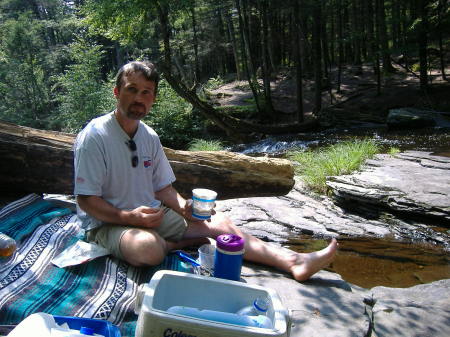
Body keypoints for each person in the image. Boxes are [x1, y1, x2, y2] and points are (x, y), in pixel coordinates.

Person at [73, 60, 337, 282]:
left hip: (150, 215)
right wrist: (130, 217)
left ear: (153, 98)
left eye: (146, 92)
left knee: (220, 223)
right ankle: (177, 243)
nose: (139, 99)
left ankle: (293, 261)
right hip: (106, 223)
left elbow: (162, 187)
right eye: (132, 90)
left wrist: (183, 207)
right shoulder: (95, 136)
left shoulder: (149, 137)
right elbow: (86, 199)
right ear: (117, 92)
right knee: (148, 249)